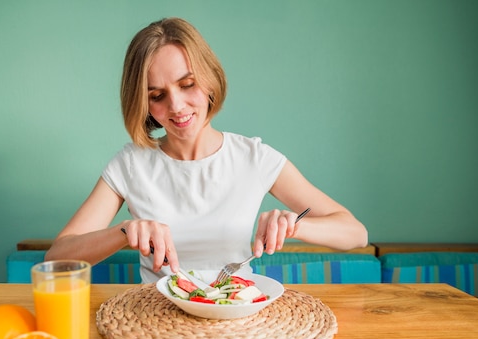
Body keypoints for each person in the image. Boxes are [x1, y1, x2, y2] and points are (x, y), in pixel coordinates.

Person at [45, 17, 368, 283]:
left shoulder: (254, 158)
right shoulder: (131, 164)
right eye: (157, 95)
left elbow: (355, 234)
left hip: (236, 313)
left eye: (187, 85)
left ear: (210, 79)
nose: (177, 106)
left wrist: (297, 226)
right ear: (143, 104)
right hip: (154, 317)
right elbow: (58, 256)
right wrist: (125, 230)